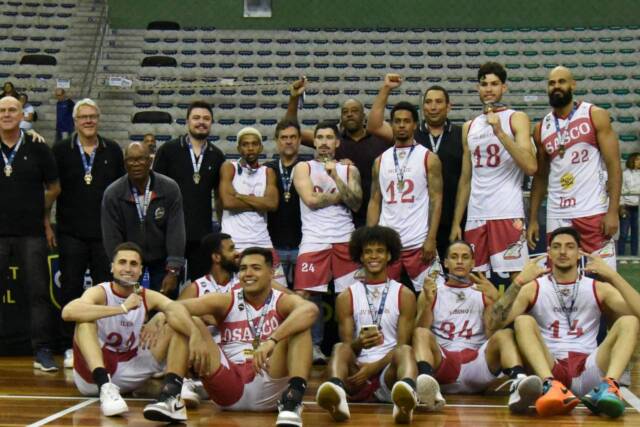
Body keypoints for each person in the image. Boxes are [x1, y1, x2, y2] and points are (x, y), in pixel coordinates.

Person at [143, 247, 318, 426]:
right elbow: (175, 307)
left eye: (256, 268)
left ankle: (293, 400)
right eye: (243, 268)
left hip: (270, 379)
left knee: (300, 326)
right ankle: (171, 396)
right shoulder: (226, 300)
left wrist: (272, 340)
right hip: (230, 384)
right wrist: (190, 330)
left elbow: (310, 310)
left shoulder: (281, 300)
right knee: (189, 321)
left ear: (271, 273)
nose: (248, 273)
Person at [488, 227, 638, 417]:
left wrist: (613, 276)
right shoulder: (533, 287)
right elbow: (493, 325)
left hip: (588, 367)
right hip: (551, 363)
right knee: (523, 321)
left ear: (579, 254)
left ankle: (609, 386)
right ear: (549, 253)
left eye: (569, 247)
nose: (563, 251)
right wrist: (518, 282)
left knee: (629, 321)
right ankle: (549, 385)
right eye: (557, 247)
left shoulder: (598, 288)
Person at [60, 242, 199, 417]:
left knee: (178, 323)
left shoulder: (145, 295)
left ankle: (174, 389)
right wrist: (122, 308)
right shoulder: (101, 292)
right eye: (122, 262)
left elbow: (175, 308)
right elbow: (68, 312)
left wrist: (167, 318)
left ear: (141, 270)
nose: (127, 268)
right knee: (84, 321)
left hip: (130, 365)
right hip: (93, 375)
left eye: (133, 264)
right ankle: (106, 388)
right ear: (112, 267)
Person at [413, 240, 543, 413]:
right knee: (420, 332)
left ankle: (519, 382)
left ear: (473, 263)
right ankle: (426, 384)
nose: (459, 261)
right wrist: (428, 303)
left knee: (504, 335)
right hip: (444, 363)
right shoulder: (431, 291)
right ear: (445, 263)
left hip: (476, 364)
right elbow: (420, 331)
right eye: (454, 257)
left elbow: (492, 331)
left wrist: (496, 298)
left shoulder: (483, 290)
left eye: (465, 257)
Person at [316, 226, 419, 424]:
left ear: (389, 255)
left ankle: (405, 401)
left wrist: (374, 368)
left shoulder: (404, 294)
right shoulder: (347, 296)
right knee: (339, 348)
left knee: (405, 351)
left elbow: (401, 345)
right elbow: (348, 348)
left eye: (379, 251)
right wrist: (359, 344)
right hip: (357, 374)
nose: (374, 256)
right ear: (361, 257)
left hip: (388, 373)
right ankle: (338, 396)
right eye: (368, 252)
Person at [53, 98, 125, 368]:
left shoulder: (113, 150)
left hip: (105, 234)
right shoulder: (61, 150)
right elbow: (51, 186)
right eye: (83, 117)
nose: (88, 121)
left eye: (92, 116)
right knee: (70, 290)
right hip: (71, 231)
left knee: (105, 290)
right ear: (75, 121)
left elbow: (122, 192)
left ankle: (107, 343)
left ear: (99, 118)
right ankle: (70, 346)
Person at [528, 66, 622, 269]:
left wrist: (612, 211)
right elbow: (540, 177)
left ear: (572, 84)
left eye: (561, 82)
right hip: (557, 212)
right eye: (551, 83)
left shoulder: (594, 115)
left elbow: (614, 166)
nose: (556, 87)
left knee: (605, 275)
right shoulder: (541, 128)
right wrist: (533, 219)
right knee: (559, 276)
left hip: (592, 209)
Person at [450, 62, 537, 275]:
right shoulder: (469, 127)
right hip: (476, 214)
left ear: (504, 88)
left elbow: (531, 166)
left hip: (506, 211)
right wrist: (456, 222)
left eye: (494, 84)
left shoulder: (517, 118)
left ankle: (519, 311)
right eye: (484, 84)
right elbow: (465, 179)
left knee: (518, 278)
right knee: (476, 279)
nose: (489, 89)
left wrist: (499, 132)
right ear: (477, 89)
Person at [367, 73, 464, 260]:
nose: (433, 106)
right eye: (428, 102)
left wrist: (457, 222)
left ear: (449, 106)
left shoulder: (462, 134)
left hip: (454, 218)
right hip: (419, 225)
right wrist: (386, 88)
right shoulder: (411, 131)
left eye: (438, 102)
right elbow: (373, 126)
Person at [293, 121, 362, 363]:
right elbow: (311, 201)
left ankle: (349, 346)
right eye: (319, 137)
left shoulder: (348, 170)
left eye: (328, 137)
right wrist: (339, 196)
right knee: (306, 295)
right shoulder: (303, 167)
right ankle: (311, 347)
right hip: (314, 239)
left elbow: (355, 203)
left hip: (345, 238)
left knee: (350, 295)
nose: (323, 142)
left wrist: (335, 177)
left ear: (337, 142)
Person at [0, 96, 61, 371]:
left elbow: (55, 187)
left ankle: (43, 351)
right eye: (2, 110)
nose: (6, 114)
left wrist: (42, 214)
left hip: (30, 233)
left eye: (12, 109)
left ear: (22, 114)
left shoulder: (37, 146)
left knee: (38, 293)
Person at [286, 78, 390, 227]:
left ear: (364, 116)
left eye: (354, 111)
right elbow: (291, 130)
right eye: (345, 112)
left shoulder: (380, 140)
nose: (349, 114)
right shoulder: (331, 141)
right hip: (341, 217)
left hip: (375, 215)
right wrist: (294, 98)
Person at [367, 100, 444, 292]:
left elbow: (436, 199)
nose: (402, 125)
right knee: (381, 297)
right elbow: (375, 200)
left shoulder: (429, 158)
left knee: (435, 295)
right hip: (388, 243)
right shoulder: (380, 160)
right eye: (397, 121)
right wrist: (370, 238)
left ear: (415, 125)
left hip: (418, 242)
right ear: (391, 124)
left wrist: (431, 238)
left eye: (407, 121)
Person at [101, 142, 186, 297]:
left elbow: (176, 232)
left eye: (141, 159)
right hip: (129, 260)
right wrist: (121, 268)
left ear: (150, 161)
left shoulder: (169, 188)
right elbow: (112, 237)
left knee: (164, 308)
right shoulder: (113, 193)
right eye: (131, 160)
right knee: (129, 309)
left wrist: (173, 270)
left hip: (162, 259)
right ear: (125, 163)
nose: (136, 164)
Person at [153, 101, 225, 282]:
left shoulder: (217, 155)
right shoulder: (168, 150)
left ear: (211, 122)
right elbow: (155, 191)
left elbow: (219, 196)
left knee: (201, 288)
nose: (201, 122)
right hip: (170, 233)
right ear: (187, 121)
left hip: (202, 234)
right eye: (196, 118)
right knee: (167, 288)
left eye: (206, 118)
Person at [219, 126, 285, 284]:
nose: (250, 148)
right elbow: (228, 202)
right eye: (245, 144)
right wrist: (259, 202)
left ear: (261, 147)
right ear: (238, 148)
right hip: (234, 242)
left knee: (278, 291)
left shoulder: (268, 172)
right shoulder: (229, 167)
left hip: (262, 241)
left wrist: (240, 196)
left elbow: (272, 204)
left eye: (254, 144)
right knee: (234, 294)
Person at [266, 119, 303, 287]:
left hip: (303, 246)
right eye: (284, 137)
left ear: (300, 140)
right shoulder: (266, 170)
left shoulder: (309, 167)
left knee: (305, 297)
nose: (288, 141)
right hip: (274, 245)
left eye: (293, 137)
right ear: (277, 140)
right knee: (276, 298)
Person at [619, 153, 640, 255]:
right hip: (626, 206)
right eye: (637, 160)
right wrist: (621, 206)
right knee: (623, 233)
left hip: (637, 207)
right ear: (632, 160)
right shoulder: (625, 173)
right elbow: (620, 190)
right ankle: (621, 255)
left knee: (635, 233)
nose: (639, 162)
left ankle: (634, 255)